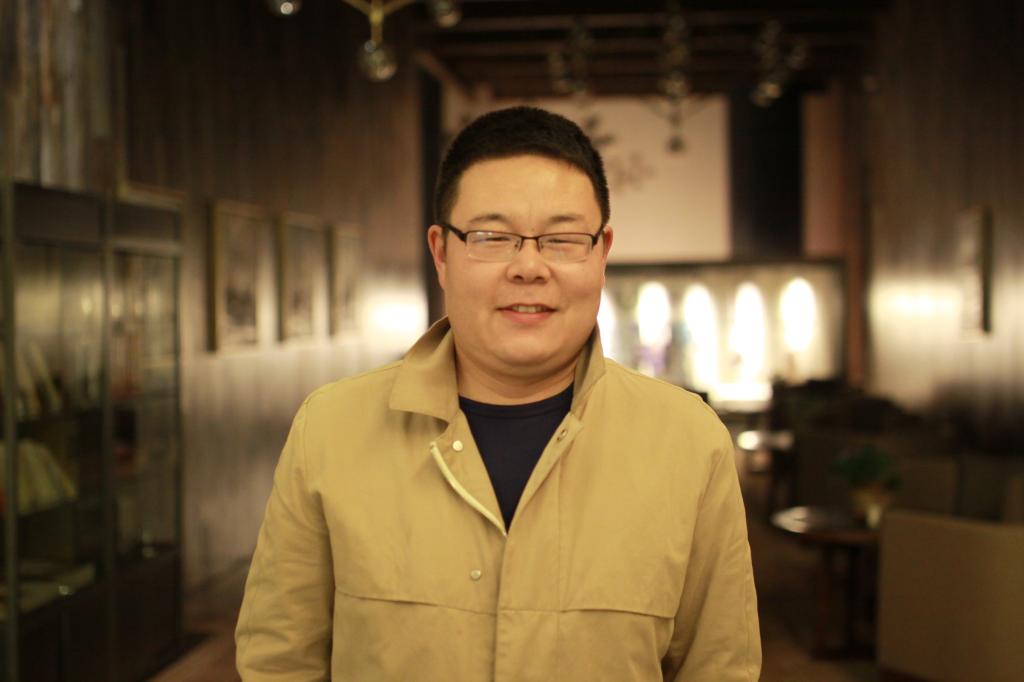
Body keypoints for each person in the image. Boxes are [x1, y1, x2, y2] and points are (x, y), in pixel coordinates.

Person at [235, 106, 761, 681]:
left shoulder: (687, 442)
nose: (529, 267)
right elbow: (279, 664)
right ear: (441, 253)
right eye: (492, 237)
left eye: (562, 239)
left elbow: (720, 667)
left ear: (602, 252)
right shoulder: (330, 429)